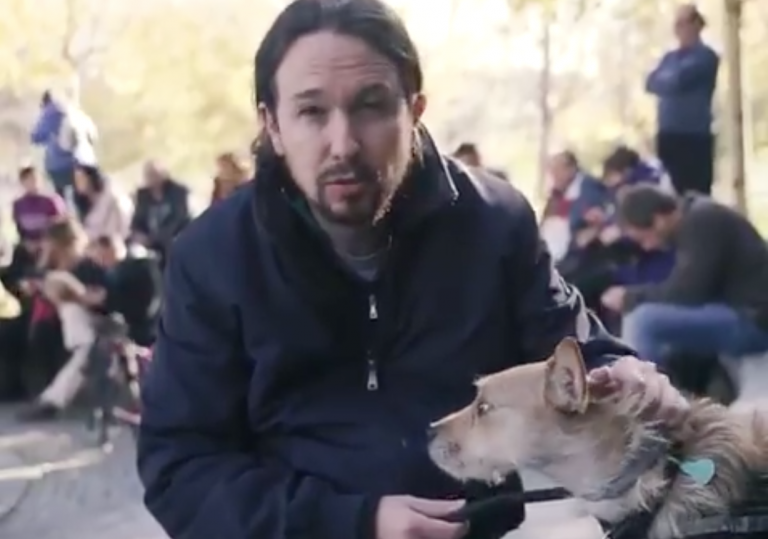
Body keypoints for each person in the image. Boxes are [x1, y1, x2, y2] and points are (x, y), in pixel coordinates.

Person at [137, 3, 688, 539]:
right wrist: (354, 523)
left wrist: (625, 371)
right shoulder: (212, 257)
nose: (344, 143)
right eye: (311, 112)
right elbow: (180, 467)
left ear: (415, 111)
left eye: (372, 106)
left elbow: (578, 350)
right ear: (272, 126)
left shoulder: (494, 221)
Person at [601, 184, 768, 366]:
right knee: (646, 318)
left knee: (644, 321)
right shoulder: (693, 220)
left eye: (644, 239)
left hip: (754, 321)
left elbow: (688, 292)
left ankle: (645, 392)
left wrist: (630, 297)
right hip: (737, 310)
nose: (646, 247)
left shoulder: (703, 221)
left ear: (658, 220)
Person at [18, 217, 109, 421]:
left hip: (95, 324)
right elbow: (36, 280)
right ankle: (43, 394)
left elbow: (102, 300)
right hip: (63, 327)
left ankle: (51, 401)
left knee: (79, 332)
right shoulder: (55, 266)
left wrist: (75, 295)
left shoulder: (89, 266)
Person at [645, 3, 719, 195]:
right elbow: (651, 82)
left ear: (697, 24)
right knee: (669, 192)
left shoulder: (706, 56)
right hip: (668, 135)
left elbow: (678, 80)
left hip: (694, 137)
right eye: (676, 24)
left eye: (683, 23)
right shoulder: (669, 57)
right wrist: (668, 78)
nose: (678, 29)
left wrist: (667, 79)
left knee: (695, 193)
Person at [29, 89, 97, 218]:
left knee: (61, 202)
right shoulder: (74, 110)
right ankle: (85, 225)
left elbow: (35, 137)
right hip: (82, 164)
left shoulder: (49, 113)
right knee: (83, 200)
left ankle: (66, 227)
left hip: (58, 166)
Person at [90, 235, 162, 347]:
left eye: (101, 255)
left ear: (111, 248)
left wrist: (106, 299)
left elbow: (148, 302)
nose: (100, 262)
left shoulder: (142, 265)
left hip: (149, 332)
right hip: (135, 333)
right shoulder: (111, 274)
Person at [130, 161, 191, 264]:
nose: (152, 179)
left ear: (164, 174)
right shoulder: (142, 195)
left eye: (155, 174)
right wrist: (138, 234)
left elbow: (178, 219)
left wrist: (152, 239)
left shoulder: (178, 191)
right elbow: (137, 220)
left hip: (174, 237)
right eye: (148, 175)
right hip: (150, 242)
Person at [73, 163, 134, 241]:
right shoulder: (83, 205)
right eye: (76, 179)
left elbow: (124, 222)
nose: (78, 183)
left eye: (81, 178)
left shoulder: (112, 197)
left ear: (90, 177)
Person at [12, 165, 67, 246]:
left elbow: (63, 227)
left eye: (34, 178)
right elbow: (20, 230)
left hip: (52, 245)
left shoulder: (52, 201)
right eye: (27, 179)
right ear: (22, 182)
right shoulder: (18, 205)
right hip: (30, 245)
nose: (32, 182)